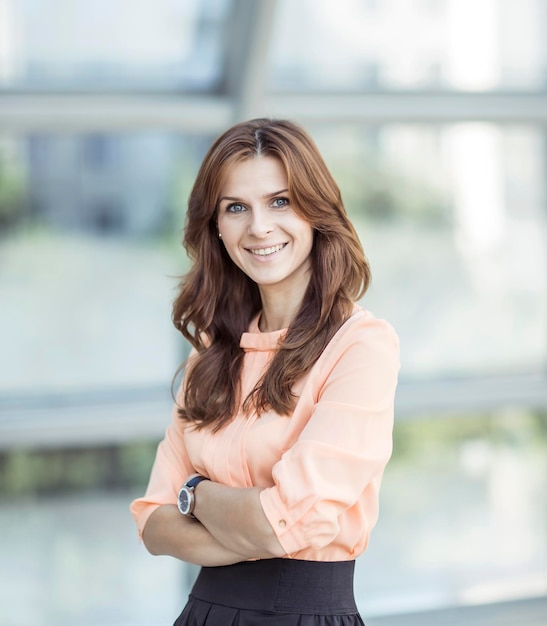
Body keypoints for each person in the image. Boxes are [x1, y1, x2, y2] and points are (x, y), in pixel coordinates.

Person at [130, 118, 400, 625]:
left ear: (317, 212)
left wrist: (194, 493)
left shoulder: (360, 346)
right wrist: (258, 518)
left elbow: (285, 527)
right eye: (236, 208)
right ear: (215, 226)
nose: (259, 227)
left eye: (280, 201)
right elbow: (152, 524)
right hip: (204, 614)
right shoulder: (210, 355)